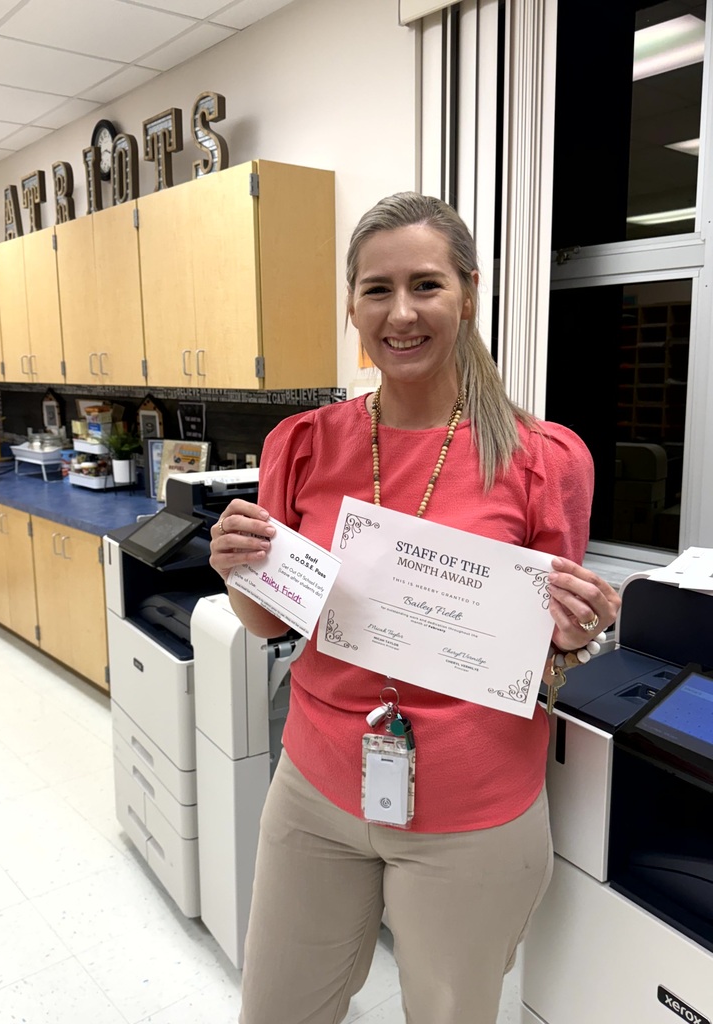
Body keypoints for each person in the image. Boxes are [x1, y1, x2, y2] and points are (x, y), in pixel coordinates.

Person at [209, 192, 622, 1024]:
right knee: (276, 1010)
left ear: (469, 292)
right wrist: (239, 573)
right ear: (352, 305)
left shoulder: (543, 458)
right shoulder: (304, 442)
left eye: (426, 285)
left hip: (473, 813)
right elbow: (273, 622)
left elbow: (547, 656)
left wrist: (575, 634)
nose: (401, 313)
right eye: (376, 289)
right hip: (317, 786)